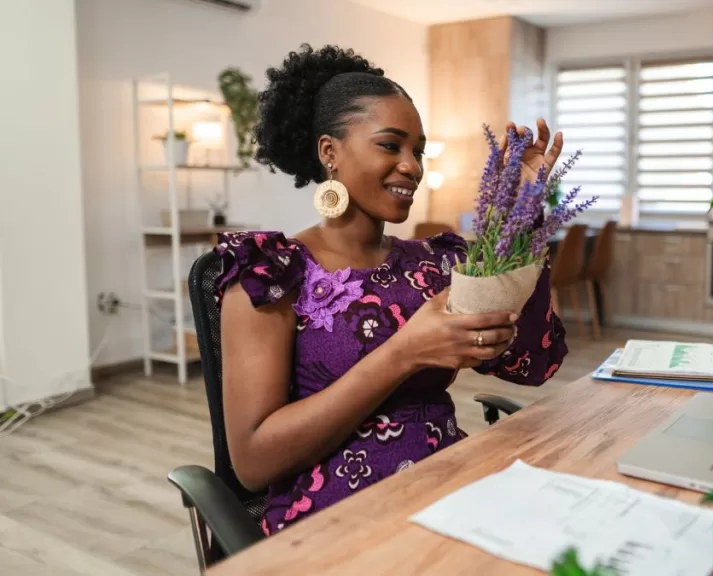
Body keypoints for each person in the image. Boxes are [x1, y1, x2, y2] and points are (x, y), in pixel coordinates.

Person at [215, 44, 569, 536]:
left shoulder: (435, 263)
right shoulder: (272, 274)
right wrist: (404, 353)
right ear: (329, 152)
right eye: (390, 145)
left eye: (417, 151)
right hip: (338, 521)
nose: (412, 166)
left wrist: (519, 215)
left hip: (450, 491)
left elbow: (528, 365)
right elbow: (254, 463)